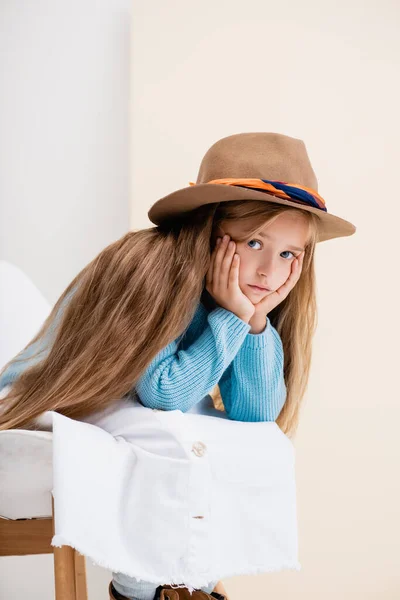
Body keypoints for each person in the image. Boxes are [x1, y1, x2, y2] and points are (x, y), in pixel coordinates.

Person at [0, 132, 356, 600]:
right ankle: (141, 588)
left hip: (137, 406)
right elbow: (164, 392)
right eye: (254, 242)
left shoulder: (244, 299)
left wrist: (253, 324)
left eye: (288, 254)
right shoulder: (149, 267)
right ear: (209, 230)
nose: (270, 271)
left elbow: (257, 413)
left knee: (220, 436)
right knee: (170, 437)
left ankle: (191, 585)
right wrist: (230, 318)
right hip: (52, 402)